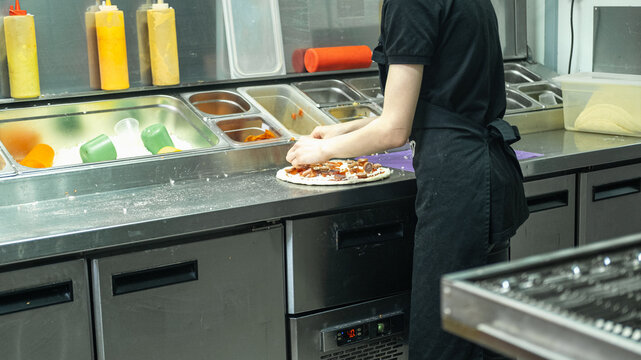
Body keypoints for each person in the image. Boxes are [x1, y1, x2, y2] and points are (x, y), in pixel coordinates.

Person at [286, 0, 529, 359]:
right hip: (486, 177)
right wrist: (344, 131)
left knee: (442, 347)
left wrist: (323, 152)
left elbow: (394, 130)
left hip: (458, 188)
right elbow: (438, 102)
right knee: (481, 342)